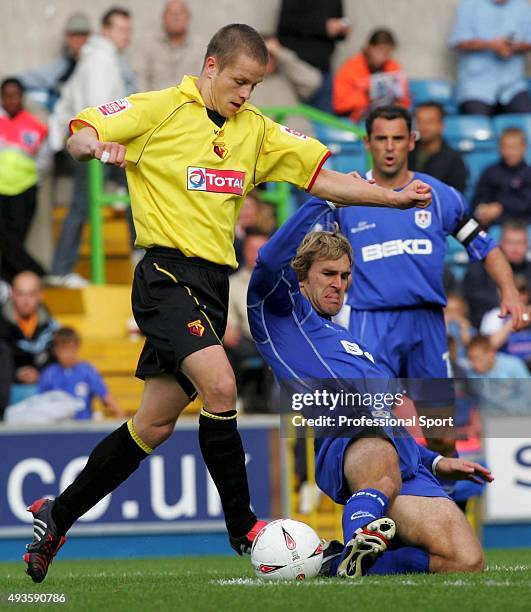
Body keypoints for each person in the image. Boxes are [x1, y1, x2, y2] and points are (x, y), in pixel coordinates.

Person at [23, 24, 432, 584]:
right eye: (240, 81)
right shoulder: (161, 108)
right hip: (166, 274)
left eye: (256, 85)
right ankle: (244, 529)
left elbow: (324, 179)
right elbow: (80, 130)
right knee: (221, 387)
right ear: (211, 66)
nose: (245, 94)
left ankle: (57, 514)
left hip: (214, 284)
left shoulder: (256, 132)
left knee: (154, 424)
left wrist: (392, 197)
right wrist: (94, 146)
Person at [248, 197, 492, 577]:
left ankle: (338, 564)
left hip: (404, 461)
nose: (338, 284)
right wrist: (324, 200)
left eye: (345, 276)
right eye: (328, 273)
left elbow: (393, 424)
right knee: (376, 444)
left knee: (465, 561)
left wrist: (437, 461)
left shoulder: (356, 347)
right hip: (348, 439)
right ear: (301, 278)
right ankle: (359, 536)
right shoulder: (283, 315)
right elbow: (267, 261)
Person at [334, 106, 527, 458]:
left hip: (427, 326)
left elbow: (485, 247)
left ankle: (451, 506)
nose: (389, 147)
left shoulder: (439, 195)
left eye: (397, 138)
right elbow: (317, 262)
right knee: (371, 435)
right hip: (371, 325)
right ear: (367, 143)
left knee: (441, 435)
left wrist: (510, 292)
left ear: (411, 140)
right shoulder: (347, 197)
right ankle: (380, 511)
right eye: (381, 139)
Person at [47, 7, 137, 288]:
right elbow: (98, 110)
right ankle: (61, 270)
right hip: (88, 141)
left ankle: (140, 249)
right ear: (106, 31)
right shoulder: (100, 60)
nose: (127, 37)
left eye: (129, 30)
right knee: (82, 205)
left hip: (90, 139)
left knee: (132, 188)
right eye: (121, 30)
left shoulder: (100, 58)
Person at [449, 0, 531, 115]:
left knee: (527, 123)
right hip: (476, 87)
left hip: (512, 86)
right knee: (478, 128)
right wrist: (491, 45)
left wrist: (512, 47)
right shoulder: (469, 4)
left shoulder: (522, 7)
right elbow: (458, 42)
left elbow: (528, 42)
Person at [224, 229, 271, 412]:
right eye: (253, 249)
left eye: (263, 249)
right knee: (225, 347)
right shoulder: (232, 283)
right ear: (244, 251)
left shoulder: (284, 280)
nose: (258, 254)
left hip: (280, 340)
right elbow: (230, 322)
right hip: (248, 341)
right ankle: (235, 403)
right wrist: (228, 329)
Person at [0, 78, 48, 256]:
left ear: (22, 97)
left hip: (24, 189)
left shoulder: (35, 125)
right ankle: (35, 273)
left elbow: (44, 161)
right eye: (7, 96)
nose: (11, 100)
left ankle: (23, 279)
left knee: (16, 240)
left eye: (15, 96)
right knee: (6, 242)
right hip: (0, 191)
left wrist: (35, 182)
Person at [277, 0, 351, 113]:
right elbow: (285, 23)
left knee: (324, 120)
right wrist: (323, 26)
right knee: (295, 118)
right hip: (297, 67)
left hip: (324, 69)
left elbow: (338, 22)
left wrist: (341, 30)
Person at [38, 327, 124, 420]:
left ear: (78, 347)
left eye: (72, 348)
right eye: (64, 349)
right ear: (56, 350)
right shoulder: (49, 374)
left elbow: (107, 398)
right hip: (57, 428)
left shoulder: (87, 371)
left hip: (83, 426)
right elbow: (39, 404)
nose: (68, 354)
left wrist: (122, 417)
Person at [18, 13, 92, 113]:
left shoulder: (97, 63)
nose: (78, 39)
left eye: (82, 34)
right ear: (67, 36)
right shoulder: (64, 65)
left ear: (89, 36)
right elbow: (35, 77)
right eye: (74, 35)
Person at [333, 29, 411, 124]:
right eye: (380, 49)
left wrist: (398, 103)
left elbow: (404, 100)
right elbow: (340, 103)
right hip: (357, 119)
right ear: (369, 47)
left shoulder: (393, 66)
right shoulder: (351, 66)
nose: (383, 55)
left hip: (388, 116)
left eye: (388, 51)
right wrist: (366, 94)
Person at [463, 219, 531, 328]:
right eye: (510, 242)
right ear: (500, 244)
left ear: (527, 245)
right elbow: (473, 302)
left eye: (520, 243)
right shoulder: (480, 269)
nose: (515, 248)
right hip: (488, 328)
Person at [250, 36, 322, 136]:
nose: (268, 59)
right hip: (267, 139)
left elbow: (313, 81)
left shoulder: (288, 75)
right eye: (263, 54)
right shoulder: (245, 84)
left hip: (300, 136)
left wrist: (281, 53)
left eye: (271, 54)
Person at [0, 271, 58, 396]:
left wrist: (39, 374)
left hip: (42, 392)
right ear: (12, 295)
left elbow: (55, 361)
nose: (25, 301)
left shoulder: (52, 328)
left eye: (31, 294)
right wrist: (17, 373)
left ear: (40, 295)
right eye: (20, 294)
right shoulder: (2, 325)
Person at [132, 0, 204, 92]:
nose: (176, 17)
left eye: (180, 13)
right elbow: (138, 77)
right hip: (154, 102)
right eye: (172, 13)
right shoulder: (146, 43)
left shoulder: (200, 46)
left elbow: (205, 80)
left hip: (189, 103)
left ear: (189, 17)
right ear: (163, 17)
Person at [472, 127, 531, 227]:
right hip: (492, 225)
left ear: (524, 147)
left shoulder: (528, 174)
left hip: (522, 226)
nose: (510, 151)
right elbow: (479, 198)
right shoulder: (490, 171)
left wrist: (501, 208)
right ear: (500, 148)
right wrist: (482, 210)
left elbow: (526, 203)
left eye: (514, 147)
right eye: (506, 147)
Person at [408, 102, 468, 194]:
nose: (423, 127)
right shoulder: (407, 151)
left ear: (441, 125)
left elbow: (454, 196)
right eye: (420, 121)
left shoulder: (454, 160)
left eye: (429, 122)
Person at [466, 334, 531, 413]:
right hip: (487, 417)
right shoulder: (470, 373)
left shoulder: (514, 366)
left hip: (516, 415)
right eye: (471, 359)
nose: (474, 364)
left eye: (478, 359)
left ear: (491, 354)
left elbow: (528, 395)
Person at [480, 274, 531, 369]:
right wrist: (513, 320)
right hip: (508, 367)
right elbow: (491, 345)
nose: (519, 297)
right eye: (515, 292)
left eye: (522, 292)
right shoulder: (495, 315)